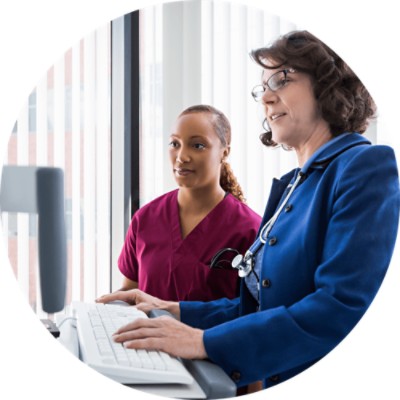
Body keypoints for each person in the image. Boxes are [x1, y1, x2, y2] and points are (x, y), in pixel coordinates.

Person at [97, 31, 400, 391]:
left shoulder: (364, 166)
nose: (267, 97)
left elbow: (340, 308)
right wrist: (173, 309)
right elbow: (259, 307)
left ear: (328, 85)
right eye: (262, 89)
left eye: (281, 79)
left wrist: (201, 342)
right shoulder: (294, 187)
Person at [99, 104, 261, 302]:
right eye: (175, 144)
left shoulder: (250, 230)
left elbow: (253, 310)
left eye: (197, 145)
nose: (181, 157)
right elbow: (130, 293)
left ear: (224, 152)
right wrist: (104, 308)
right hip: (146, 334)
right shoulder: (145, 219)